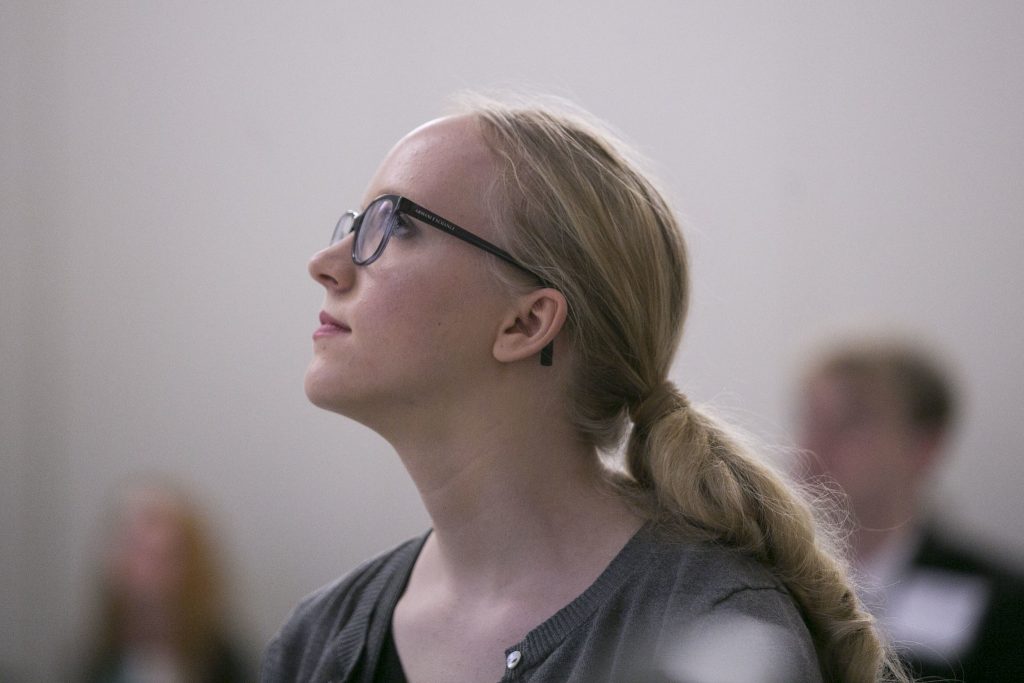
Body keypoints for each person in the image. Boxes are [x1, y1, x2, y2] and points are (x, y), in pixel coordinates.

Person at [263, 96, 907, 682]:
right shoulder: (316, 639)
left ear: (526, 322)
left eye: (395, 224)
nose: (325, 263)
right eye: (355, 223)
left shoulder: (714, 634)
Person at [797, 338, 1024, 681]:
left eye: (850, 422)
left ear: (924, 445)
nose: (814, 445)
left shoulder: (1003, 604)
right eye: (812, 420)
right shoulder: (767, 584)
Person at [82, 480, 250, 683]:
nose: (144, 572)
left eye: (158, 557)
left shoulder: (222, 661)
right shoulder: (96, 660)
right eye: (133, 547)